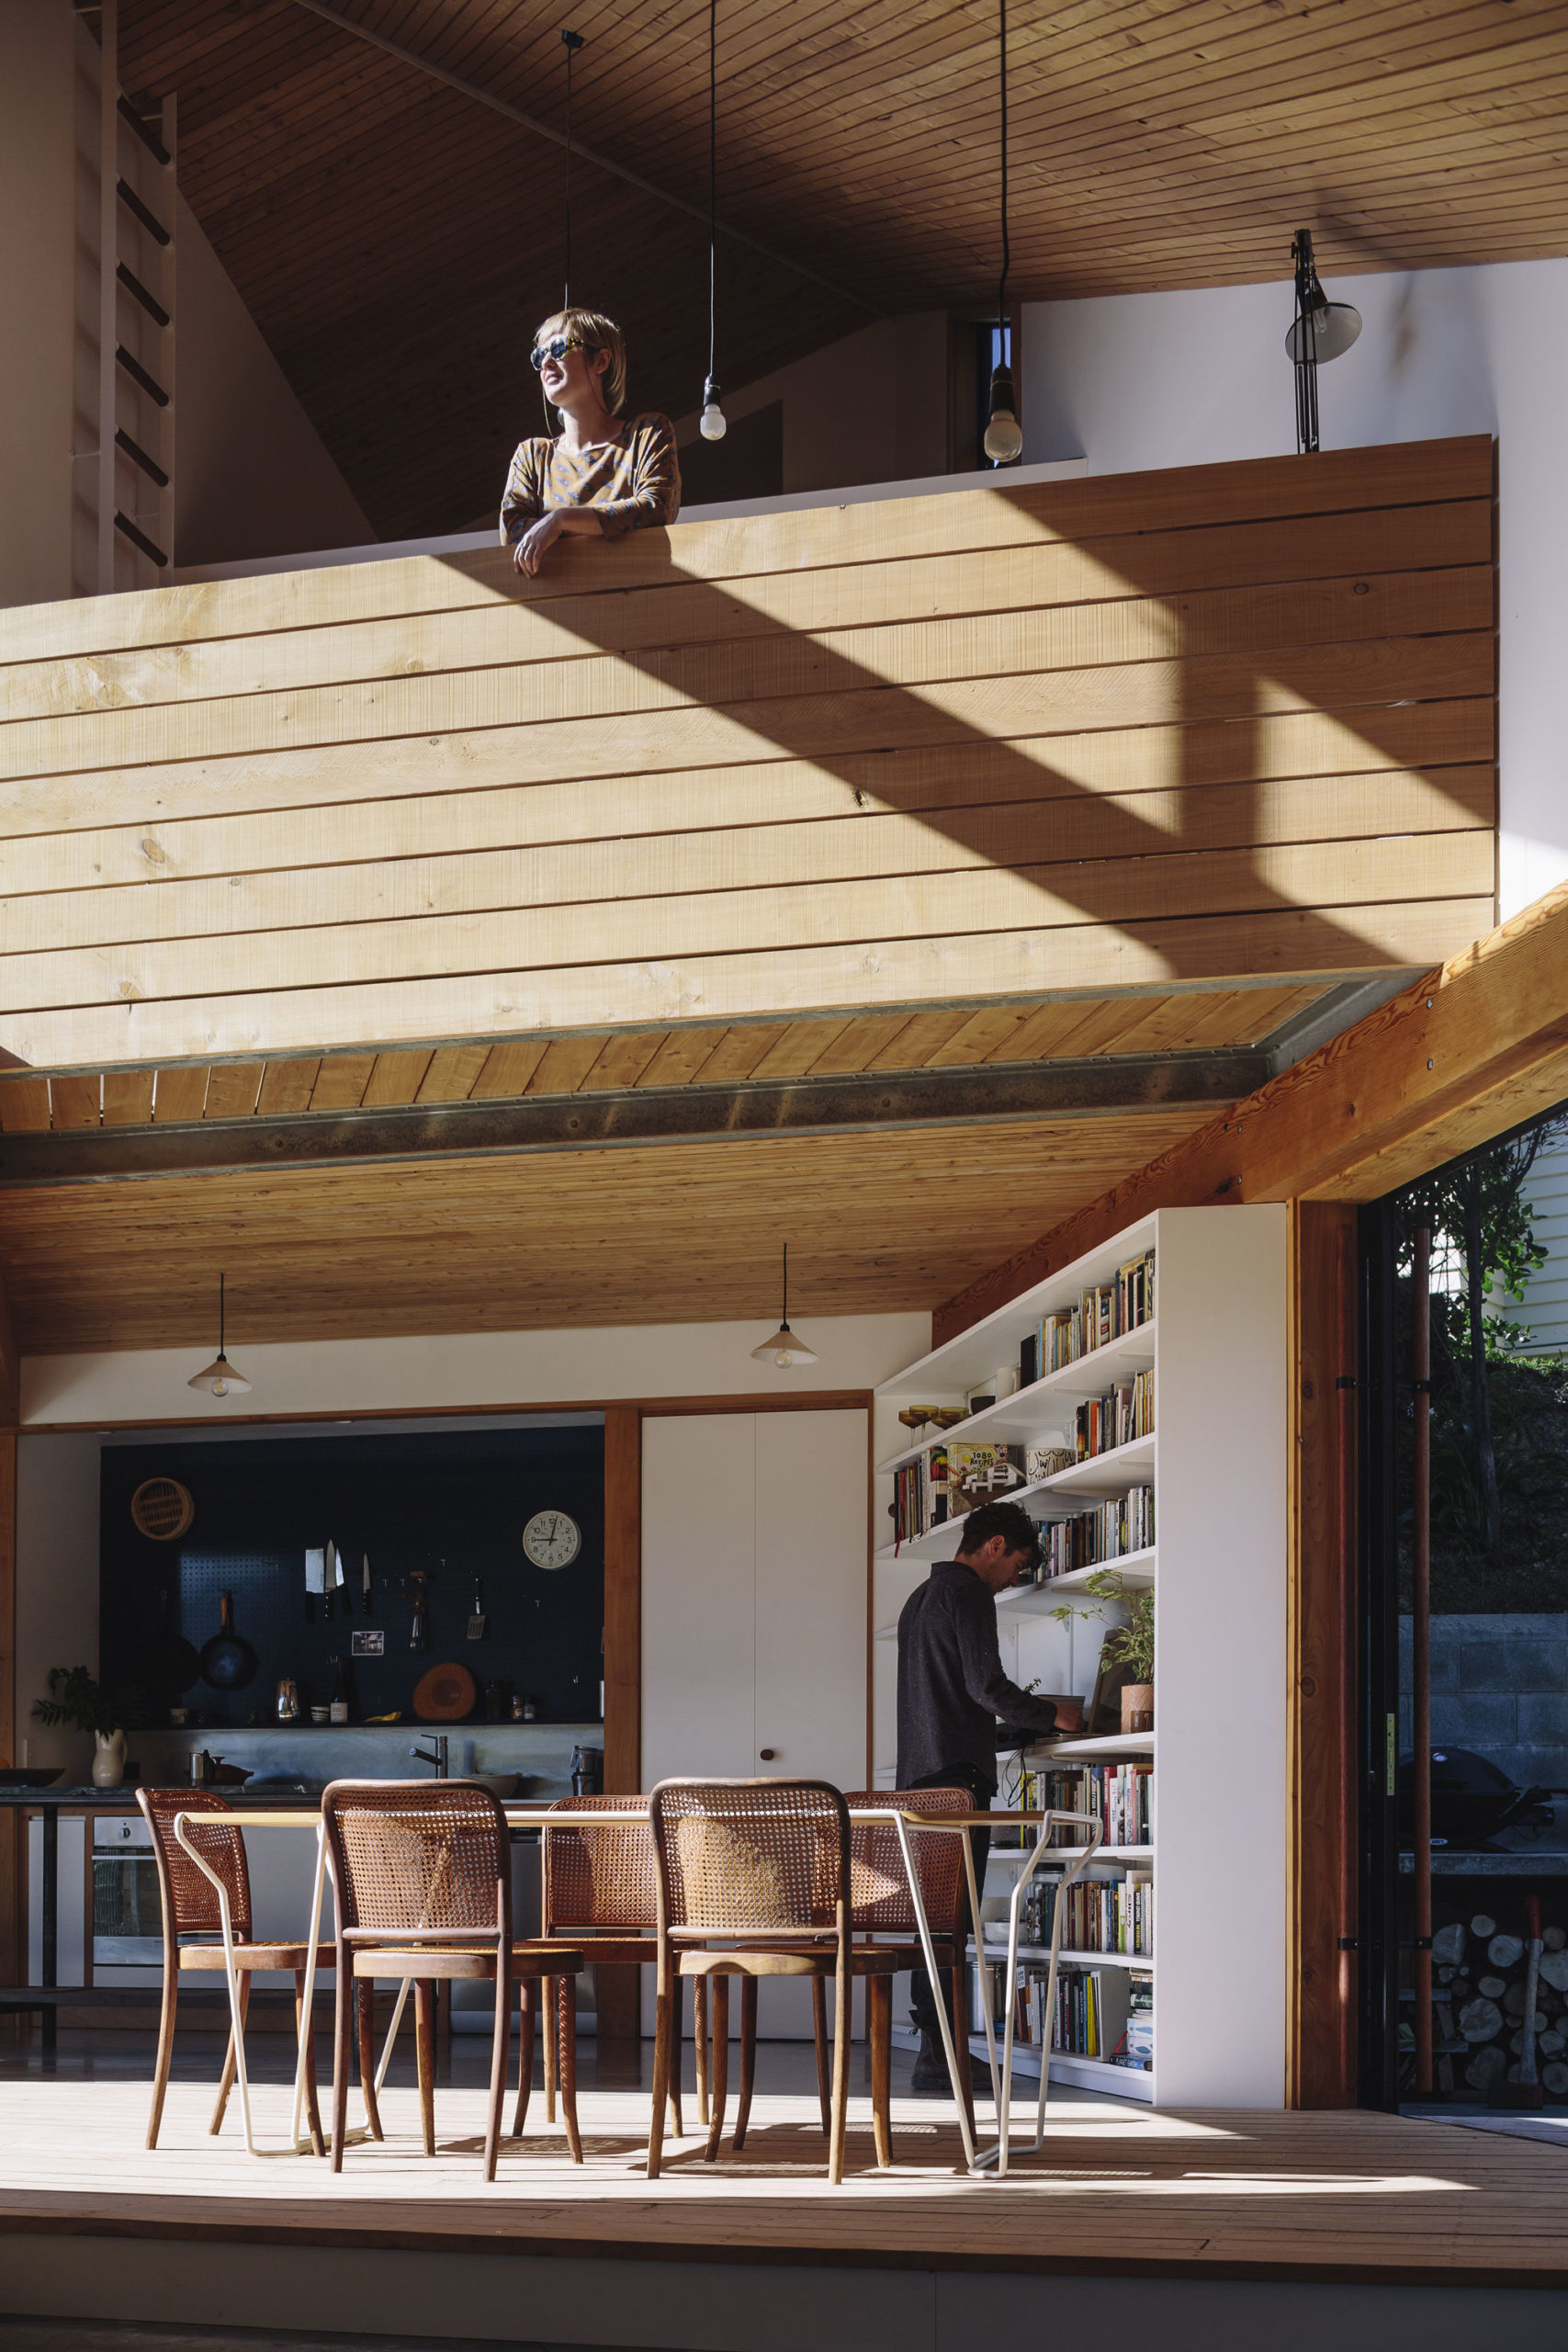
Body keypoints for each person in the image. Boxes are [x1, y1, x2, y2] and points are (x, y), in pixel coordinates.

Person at [896, 1499, 1084, 2093]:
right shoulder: (968, 1592)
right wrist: (1053, 1717)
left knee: (935, 1922)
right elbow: (986, 1686)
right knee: (955, 1923)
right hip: (955, 1783)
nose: (1010, 1580)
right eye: (1016, 1566)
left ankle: (934, 2051)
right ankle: (946, 2057)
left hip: (918, 1780)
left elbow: (951, 1697)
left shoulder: (919, 1598)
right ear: (995, 1545)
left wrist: (1011, 1728)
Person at [500, 308, 680, 577]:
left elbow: (656, 508)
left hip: (633, 593)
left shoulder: (646, 434)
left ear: (601, 360)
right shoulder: (532, 456)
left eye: (559, 348)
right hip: (559, 598)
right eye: (539, 355)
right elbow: (512, 532)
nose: (546, 362)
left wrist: (560, 520)